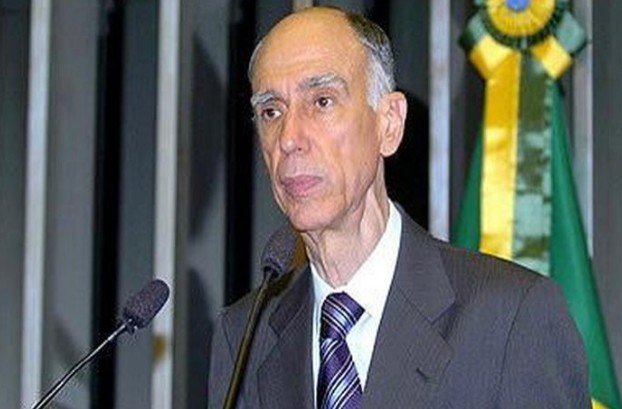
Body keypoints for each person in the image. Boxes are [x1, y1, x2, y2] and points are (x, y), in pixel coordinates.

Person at [208, 6, 589, 409]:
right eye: (271, 111)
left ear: (389, 122)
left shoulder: (512, 317)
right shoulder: (243, 339)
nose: (289, 138)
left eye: (321, 101)